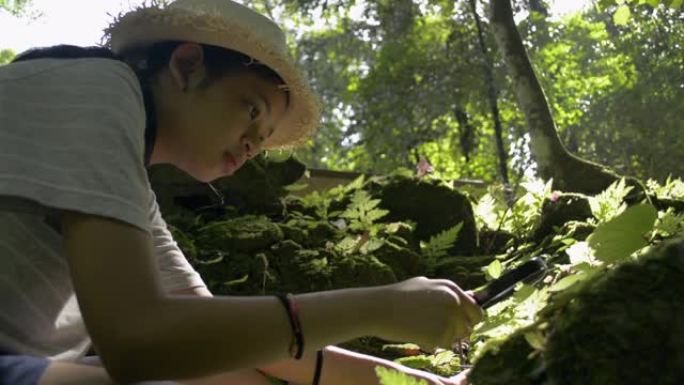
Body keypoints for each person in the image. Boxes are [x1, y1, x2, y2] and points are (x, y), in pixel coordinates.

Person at [0, 0, 483, 384]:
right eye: (252, 110)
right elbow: (138, 342)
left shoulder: (128, 185)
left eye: (266, 136)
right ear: (187, 66)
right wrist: (379, 307)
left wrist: (409, 381)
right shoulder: (97, 89)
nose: (255, 146)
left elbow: (207, 342)